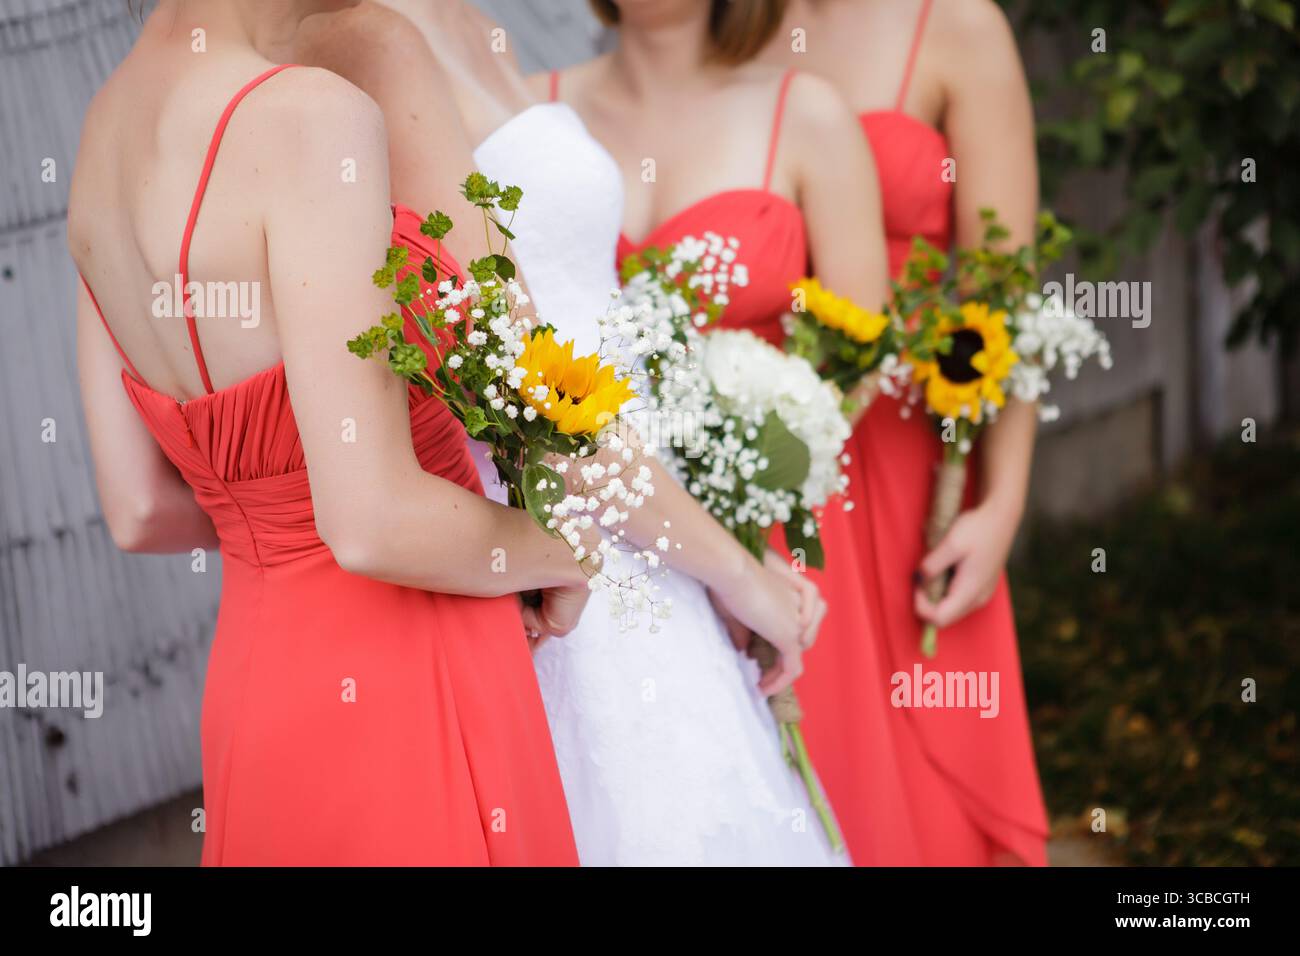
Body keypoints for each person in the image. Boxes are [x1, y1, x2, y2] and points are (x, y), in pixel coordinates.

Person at [295, 0, 841, 864]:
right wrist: (739, 573)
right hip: (554, 534)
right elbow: (530, 397)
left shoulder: (467, 17)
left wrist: (718, 547)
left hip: (644, 523)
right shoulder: (365, 40)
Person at [68, 0, 581, 865]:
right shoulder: (309, 116)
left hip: (256, 688)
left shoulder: (101, 135)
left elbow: (138, 511)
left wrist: (280, 529)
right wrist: (564, 551)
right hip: (409, 665)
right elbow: (373, 520)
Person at [761, 0, 1050, 865]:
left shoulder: (957, 25)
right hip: (760, 463)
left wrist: (1002, 506)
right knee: (803, 756)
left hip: (912, 473)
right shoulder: (705, 22)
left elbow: (1006, 289)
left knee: (930, 787)